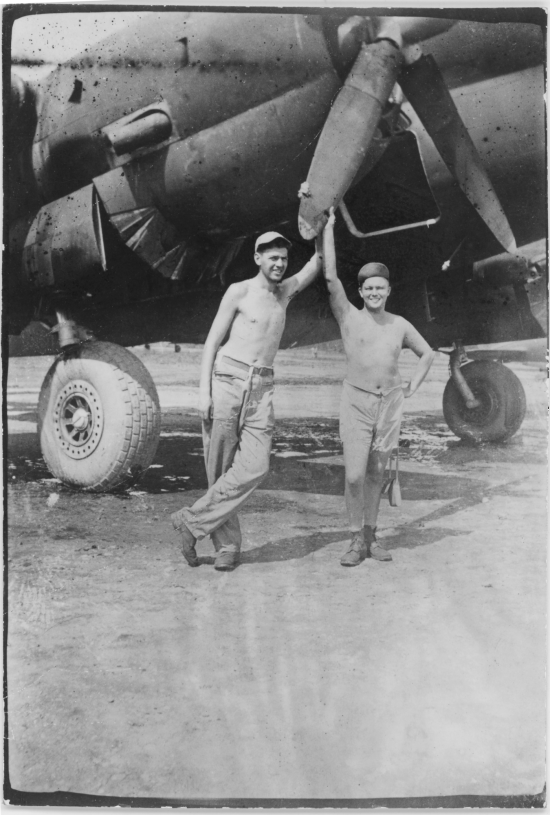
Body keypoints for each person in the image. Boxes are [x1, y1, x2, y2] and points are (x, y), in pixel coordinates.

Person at [171, 230, 323, 571]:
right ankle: (227, 547)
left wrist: (322, 219)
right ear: (258, 258)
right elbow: (211, 343)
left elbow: (318, 261)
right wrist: (203, 392)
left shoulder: (285, 293)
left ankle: (191, 522)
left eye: (284, 258)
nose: (280, 264)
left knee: (257, 466)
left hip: (262, 388)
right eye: (273, 257)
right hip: (227, 380)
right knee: (220, 469)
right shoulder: (238, 291)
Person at [322, 208, 435, 566]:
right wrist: (328, 228)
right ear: (360, 291)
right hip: (356, 401)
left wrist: (411, 387)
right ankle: (355, 537)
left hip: (390, 404)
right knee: (355, 474)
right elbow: (329, 277)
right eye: (368, 288)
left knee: (376, 473)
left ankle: (370, 536)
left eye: (379, 288)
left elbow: (428, 354)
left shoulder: (399, 324)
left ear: (388, 291)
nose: (374, 293)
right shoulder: (348, 315)